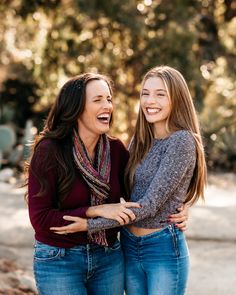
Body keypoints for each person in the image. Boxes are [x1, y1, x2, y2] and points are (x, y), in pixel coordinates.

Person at [51, 66, 207, 295]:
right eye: (145, 93)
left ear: (177, 98)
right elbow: (126, 192)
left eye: (160, 94)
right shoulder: (140, 140)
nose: (149, 101)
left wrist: (89, 225)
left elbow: (151, 203)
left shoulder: (181, 141)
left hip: (161, 247)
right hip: (129, 245)